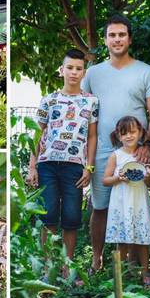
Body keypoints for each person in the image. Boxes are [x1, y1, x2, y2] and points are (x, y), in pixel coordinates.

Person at [81, 14, 150, 273]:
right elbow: (82, 110)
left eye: (121, 34)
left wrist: (147, 144)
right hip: (103, 150)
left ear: (130, 39)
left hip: (135, 151)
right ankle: (97, 261)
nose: (117, 39)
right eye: (112, 35)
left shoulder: (146, 71)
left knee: (134, 206)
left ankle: (133, 266)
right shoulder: (93, 73)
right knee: (100, 207)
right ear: (105, 40)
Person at [27, 48, 98, 277]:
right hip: (47, 164)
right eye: (70, 68)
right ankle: (48, 267)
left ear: (83, 73)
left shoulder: (91, 102)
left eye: (78, 69)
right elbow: (38, 134)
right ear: (62, 70)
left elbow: (92, 136)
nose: (74, 73)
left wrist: (89, 167)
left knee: (71, 218)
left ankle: (68, 268)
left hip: (74, 167)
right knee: (48, 216)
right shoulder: (49, 100)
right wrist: (32, 166)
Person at [102, 116, 150, 287]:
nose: (129, 136)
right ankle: (121, 273)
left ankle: (145, 271)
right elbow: (106, 180)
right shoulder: (116, 155)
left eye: (133, 132)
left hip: (139, 200)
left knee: (142, 238)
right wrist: (118, 178)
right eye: (124, 133)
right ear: (118, 136)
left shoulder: (143, 154)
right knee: (122, 239)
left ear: (140, 133)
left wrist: (148, 175)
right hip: (121, 200)